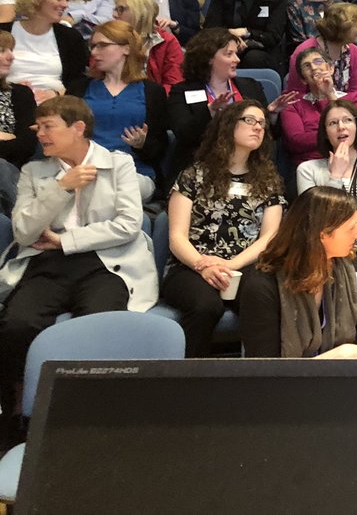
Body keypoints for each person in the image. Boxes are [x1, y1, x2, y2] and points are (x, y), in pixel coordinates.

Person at [0, 96, 159, 431]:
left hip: (105, 263)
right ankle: (21, 403)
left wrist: (65, 241)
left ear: (78, 128)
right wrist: (61, 188)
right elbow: (24, 230)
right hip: (46, 263)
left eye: (48, 127)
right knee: (17, 323)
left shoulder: (118, 164)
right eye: (38, 127)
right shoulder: (33, 171)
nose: (40, 134)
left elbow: (128, 224)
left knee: (99, 324)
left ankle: (91, 413)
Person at [162, 100, 284, 357]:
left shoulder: (269, 181)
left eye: (262, 123)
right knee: (206, 306)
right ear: (228, 126)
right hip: (192, 265)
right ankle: (189, 381)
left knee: (261, 297)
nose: (258, 128)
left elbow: (269, 238)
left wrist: (231, 264)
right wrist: (204, 265)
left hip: (245, 264)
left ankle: (260, 377)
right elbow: (176, 236)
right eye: (249, 121)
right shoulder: (194, 175)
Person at [240, 186, 357, 359]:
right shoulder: (263, 286)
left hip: (345, 382)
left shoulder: (352, 267)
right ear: (321, 235)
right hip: (287, 385)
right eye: (351, 228)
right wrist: (336, 357)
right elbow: (264, 372)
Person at [297, 100, 357, 303]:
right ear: (325, 132)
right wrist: (335, 177)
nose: (341, 127)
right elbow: (315, 220)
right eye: (333, 123)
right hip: (325, 256)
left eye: (347, 120)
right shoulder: (307, 170)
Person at [166, 29, 293, 178]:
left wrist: (271, 115)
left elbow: (268, 136)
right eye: (229, 54)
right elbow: (184, 135)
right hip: (200, 170)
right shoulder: (182, 91)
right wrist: (210, 112)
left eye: (236, 53)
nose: (237, 59)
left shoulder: (250, 86)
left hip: (248, 168)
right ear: (208, 58)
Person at [64, 21, 167, 200]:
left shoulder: (152, 92)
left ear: (126, 48)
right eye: (93, 46)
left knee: (115, 188)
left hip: (134, 172)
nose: (94, 52)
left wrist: (142, 144)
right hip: (85, 169)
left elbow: (160, 147)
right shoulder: (79, 88)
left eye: (102, 45)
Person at [2, 0, 88, 103]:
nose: (65, 5)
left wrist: (57, 94)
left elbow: (78, 81)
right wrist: (15, 90)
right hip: (10, 100)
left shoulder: (71, 37)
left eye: (66, 0)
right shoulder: (3, 32)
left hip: (55, 104)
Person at [280, 47, 357, 165]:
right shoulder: (293, 104)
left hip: (352, 160)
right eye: (307, 66)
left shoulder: (355, 98)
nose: (313, 67)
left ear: (331, 68)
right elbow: (296, 141)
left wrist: (330, 94)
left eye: (318, 61)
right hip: (311, 164)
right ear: (303, 79)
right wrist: (339, 134)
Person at [285, 2, 357, 102]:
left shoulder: (354, 52)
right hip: (309, 110)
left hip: (342, 109)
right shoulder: (304, 51)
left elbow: (353, 93)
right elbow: (295, 94)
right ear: (344, 29)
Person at [112, 0, 182, 93]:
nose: (114, 15)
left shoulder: (167, 41)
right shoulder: (108, 38)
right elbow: (98, 76)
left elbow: (173, 83)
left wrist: (152, 100)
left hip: (154, 100)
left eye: (121, 9)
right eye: (115, 9)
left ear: (140, 12)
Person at [0, 31, 37, 216]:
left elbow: (26, 144)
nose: (11, 56)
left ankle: (27, 222)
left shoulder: (21, 94)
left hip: (13, 171)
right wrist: (5, 137)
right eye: (2, 50)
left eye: (11, 50)